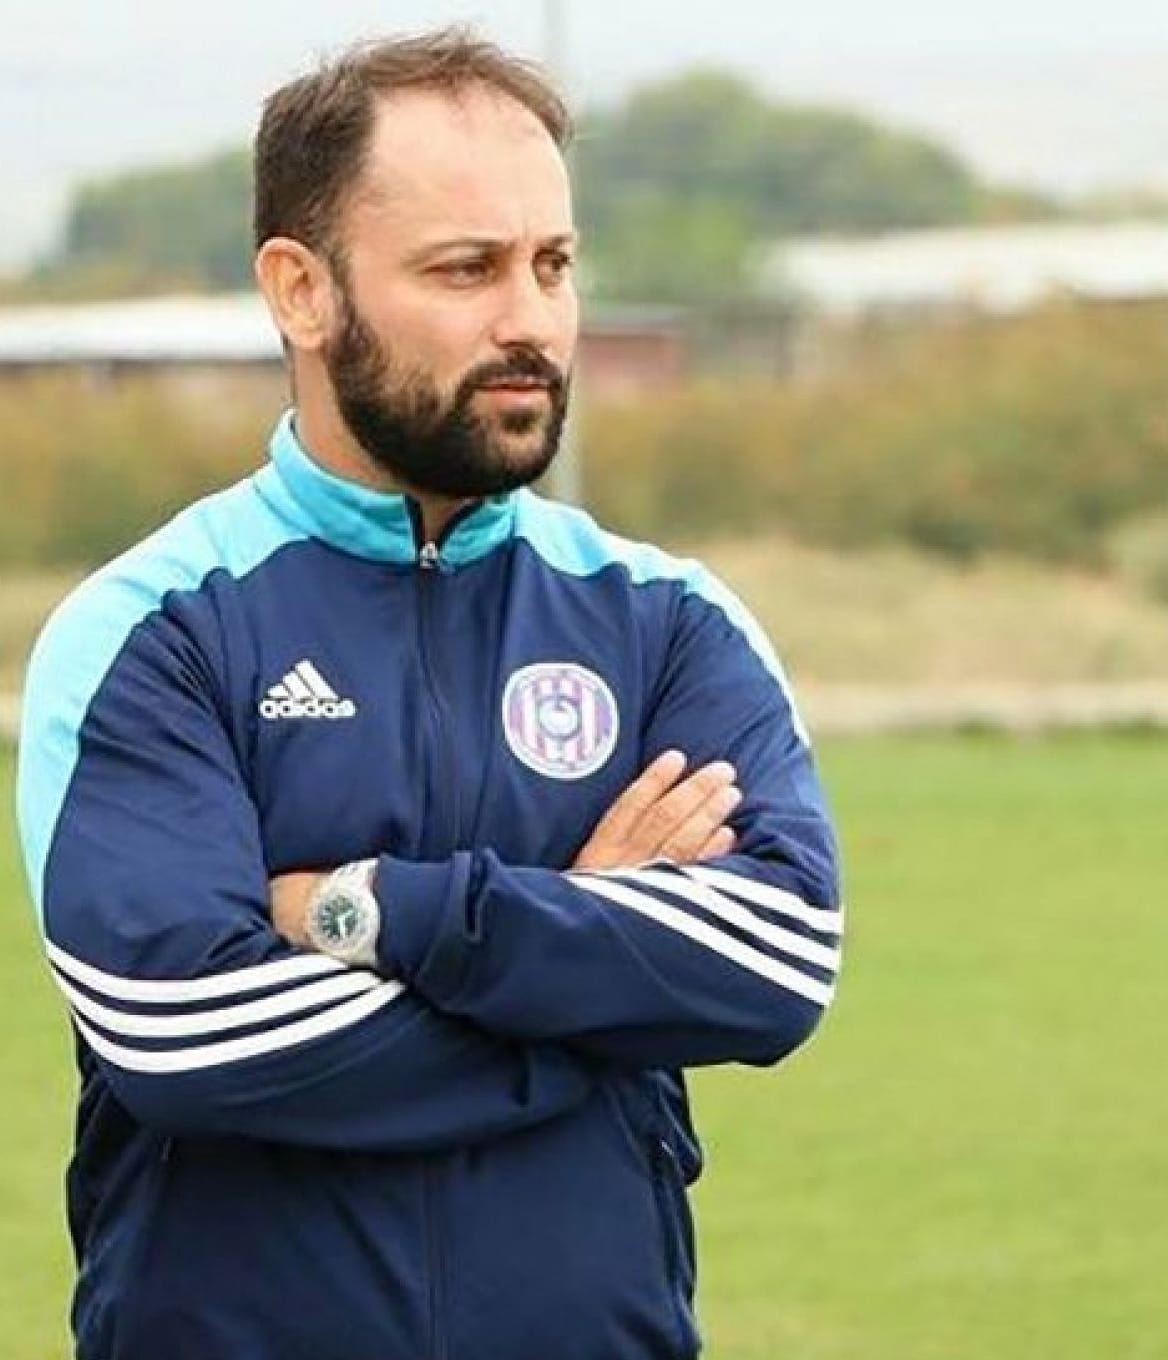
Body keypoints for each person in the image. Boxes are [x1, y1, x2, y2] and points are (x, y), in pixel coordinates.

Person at [15, 26, 843, 1360]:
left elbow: (773, 959)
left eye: (553, 264)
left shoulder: (667, 624)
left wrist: (376, 910)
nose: (530, 320)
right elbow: (193, 1034)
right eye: (466, 268)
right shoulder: (153, 633)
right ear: (301, 291)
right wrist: (588, 970)